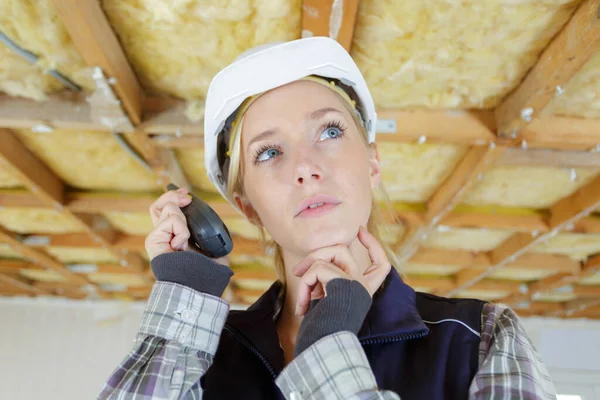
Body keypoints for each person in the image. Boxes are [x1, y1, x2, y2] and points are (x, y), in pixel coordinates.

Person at [99, 37, 556, 399]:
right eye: (270, 152)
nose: (304, 167)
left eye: (330, 131)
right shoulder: (202, 353)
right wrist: (186, 300)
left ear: (372, 163)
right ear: (247, 207)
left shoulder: (481, 337)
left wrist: (327, 349)